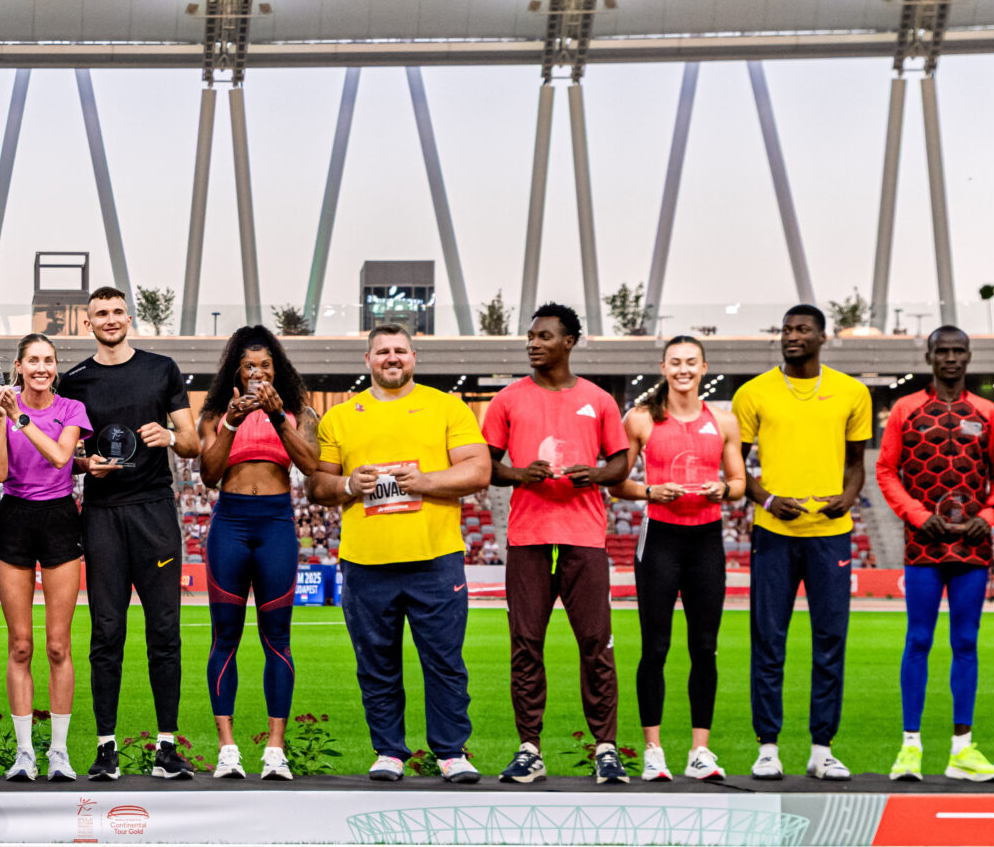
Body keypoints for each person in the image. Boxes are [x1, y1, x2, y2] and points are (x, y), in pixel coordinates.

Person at [308, 325, 491, 783]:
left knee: (444, 662)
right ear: (367, 360)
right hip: (366, 561)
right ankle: (389, 751)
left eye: (400, 351)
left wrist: (424, 482)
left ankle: (451, 752)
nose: (392, 358)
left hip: (435, 557)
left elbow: (479, 469)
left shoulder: (447, 407)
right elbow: (319, 486)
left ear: (414, 356)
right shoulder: (340, 417)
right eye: (382, 351)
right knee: (376, 664)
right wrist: (349, 484)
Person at [481, 304, 631, 785]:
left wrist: (598, 474)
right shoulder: (507, 400)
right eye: (530, 336)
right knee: (526, 645)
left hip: (584, 536)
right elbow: (487, 466)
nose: (533, 343)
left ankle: (606, 749)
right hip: (528, 535)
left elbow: (621, 464)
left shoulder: (598, 400)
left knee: (596, 644)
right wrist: (520, 473)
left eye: (544, 336)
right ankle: (530, 749)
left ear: (569, 342)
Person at [60, 286, 201, 781]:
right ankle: (106, 748)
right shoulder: (73, 380)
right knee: (106, 632)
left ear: (129, 317)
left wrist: (170, 436)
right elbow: (64, 454)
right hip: (102, 514)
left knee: (164, 631)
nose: (110, 319)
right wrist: (87, 464)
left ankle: (167, 747)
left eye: (117, 311)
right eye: (101, 313)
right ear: (89, 323)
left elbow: (193, 442)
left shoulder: (161, 369)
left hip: (154, 512)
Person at [732, 303, 872, 781]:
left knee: (830, 641)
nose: (792, 336)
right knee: (768, 642)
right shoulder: (753, 393)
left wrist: (847, 498)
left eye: (803, 329)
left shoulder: (851, 392)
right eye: (787, 329)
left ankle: (821, 748)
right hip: (773, 535)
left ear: (822, 337)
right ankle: (768, 747)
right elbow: (736, 468)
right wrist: (769, 500)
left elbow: (856, 465)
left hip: (831, 536)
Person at [876, 326, 994, 783]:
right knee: (918, 640)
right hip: (923, 544)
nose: (951, 358)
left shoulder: (986, 413)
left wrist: (989, 515)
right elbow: (886, 470)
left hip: (972, 545)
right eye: (942, 351)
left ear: (968, 357)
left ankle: (961, 751)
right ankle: (910, 748)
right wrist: (916, 515)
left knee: (966, 642)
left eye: (958, 351)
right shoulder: (905, 409)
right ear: (929, 357)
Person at [194, 325, 321, 780]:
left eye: (265, 365)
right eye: (249, 366)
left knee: (277, 639)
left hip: (276, 524)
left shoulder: (300, 412)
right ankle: (227, 748)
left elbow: (310, 465)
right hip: (230, 522)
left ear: (276, 369)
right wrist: (230, 421)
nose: (257, 372)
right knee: (224, 637)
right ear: (237, 371)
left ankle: (275, 749)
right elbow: (209, 474)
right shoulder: (214, 414)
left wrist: (277, 416)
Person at [618, 335, 744, 782]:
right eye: (675, 362)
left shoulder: (723, 421)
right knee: (655, 647)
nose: (683, 369)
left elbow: (738, 483)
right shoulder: (640, 419)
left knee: (704, 647)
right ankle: (653, 751)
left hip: (706, 540)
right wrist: (651, 491)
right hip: (660, 539)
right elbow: (617, 482)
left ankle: (699, 751)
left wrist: (722, 489)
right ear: (664, 367)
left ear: (704, 368)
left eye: (691, 362)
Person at [0, 333, 90, 780]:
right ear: (19, 366)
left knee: (58, 645)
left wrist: (19, 417)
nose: (41, 368)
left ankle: (59, 752)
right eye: (33, 360)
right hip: (15, 516)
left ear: (55, 366)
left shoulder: (70, 409)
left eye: (48, 360)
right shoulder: (0, 408)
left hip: (60, 517)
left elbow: (61, 457)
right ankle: (25, 753)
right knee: (21, 645)